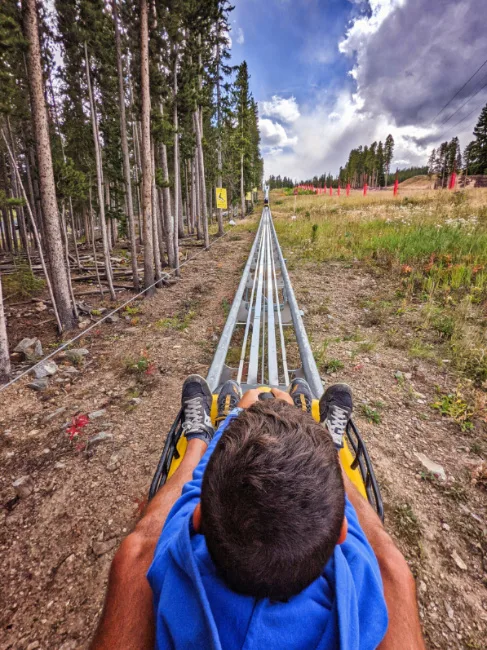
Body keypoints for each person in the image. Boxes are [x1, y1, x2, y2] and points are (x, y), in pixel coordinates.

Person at [91, 377, 425, 650]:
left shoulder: (176, 576)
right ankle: (332, 448)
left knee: (137, 549)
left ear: (199, 520)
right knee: (392, 563)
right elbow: (367, 543)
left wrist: (237, 416)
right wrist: (299, 419)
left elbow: (194, 490)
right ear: (341, 533)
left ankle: (199, 439)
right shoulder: (362, 595)